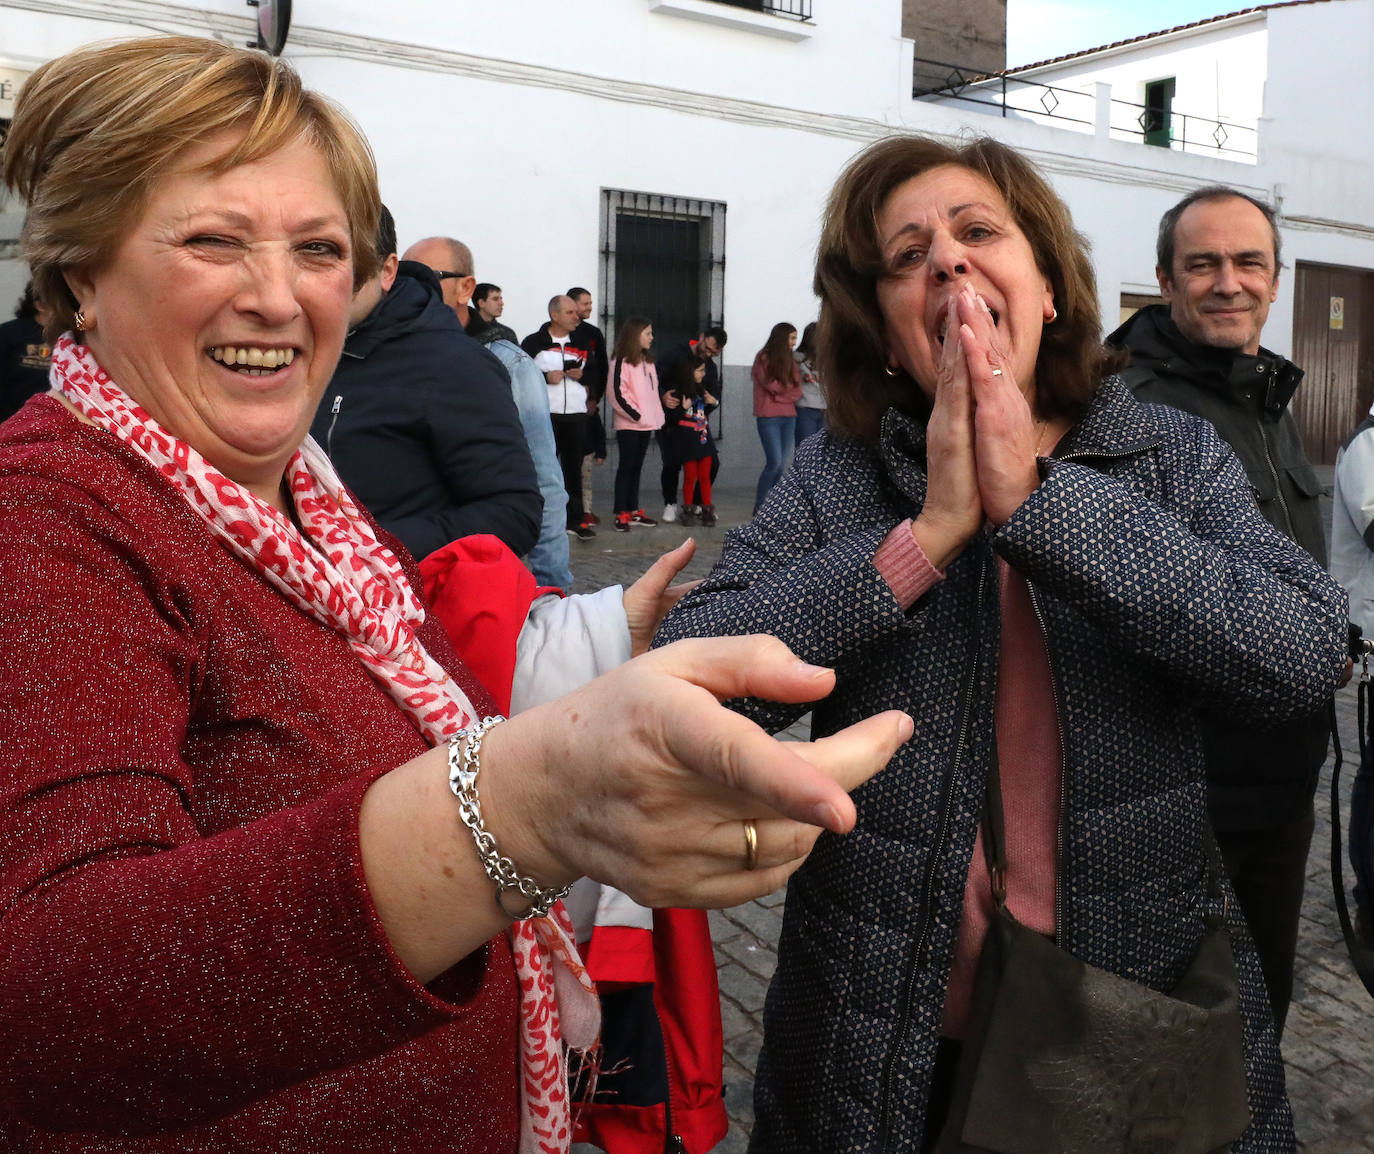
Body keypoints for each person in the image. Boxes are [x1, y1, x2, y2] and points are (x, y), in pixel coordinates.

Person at [0, 36, 913, 1152]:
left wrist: (607, 669)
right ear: (83, 271)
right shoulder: (50, 514)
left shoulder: (310, 505)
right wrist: (528, 811)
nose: (279, 295)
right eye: (212, 240)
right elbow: (51, 1008)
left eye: (319, 248)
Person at [656, 134, 1348, 1151]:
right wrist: (924, 539)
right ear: (888, 336)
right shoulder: (838, 478)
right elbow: (688, 683)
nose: (948, 260)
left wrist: (1038, 503)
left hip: (1123, 1006)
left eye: (980, 231)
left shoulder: (1168, 455)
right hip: (878, 1027)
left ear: (1051, 288)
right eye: (907, 255)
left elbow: (1302, 643)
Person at [1108, 186, 1329, 1038]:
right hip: (1183, 793)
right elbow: (1144, 602)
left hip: (1279, 782)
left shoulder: (1260, 397)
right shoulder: (1138, 406)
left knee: (1259, 1014)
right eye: (1203, 264)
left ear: (1277, 282)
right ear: (1166, 279)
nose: (1228, 282)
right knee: (1175, 1035)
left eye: (1248, 263)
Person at [310, 209, 542, 561]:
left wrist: (370, 549)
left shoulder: (455, 363)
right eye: (308, 252)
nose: (318, 278)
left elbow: (514, 513)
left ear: (387, 270)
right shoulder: (301, 345)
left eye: (337, 254)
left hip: (397, 604)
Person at [404, 231, 572, 591]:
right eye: (403, 277)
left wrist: (551, 590)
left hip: (485, 572)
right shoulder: (399, 357)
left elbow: (545, 483)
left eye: (428, 279)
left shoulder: (509, 363)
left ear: (465, 289)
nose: (411, 290)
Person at [523, 296, 595, 540]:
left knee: (573, 469)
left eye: (577, 312)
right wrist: (545, 377)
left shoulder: (584, 342)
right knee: (544, 469)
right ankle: (540, 520)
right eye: (570, 312)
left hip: (575, 414)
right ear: (555, 315)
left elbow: (595, 375)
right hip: (546, 415)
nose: (577, 316)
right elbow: (522, 376)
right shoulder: (534, 343)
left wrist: (583, 377)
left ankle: (575, 520)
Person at [656, 327, 726, 522]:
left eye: (714, 353)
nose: (709, 354)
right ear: (702, 337)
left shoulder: (710, 367)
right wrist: (662, 395)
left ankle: (696, 504)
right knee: (671, 462)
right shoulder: (675, 353)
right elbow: (655, 377)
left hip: (698, 425)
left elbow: (714, 394)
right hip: (670, 419)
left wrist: (709, 404)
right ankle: (670, 503)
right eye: (708, 348)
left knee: (711, 464)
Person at [608, 316, 665, 532]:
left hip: (645, 424)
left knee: (636, 468)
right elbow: (616, 393)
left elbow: (650, 393)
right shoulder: (621, 360)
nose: (652, 337)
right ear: (635, 335)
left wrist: (651, 416)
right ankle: (620, 512)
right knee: (626, 467)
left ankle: (632, 510)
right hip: (630, 425)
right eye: (648, 333)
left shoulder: (647, 361)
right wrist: (637, 415)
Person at [569, 286, 610, 524]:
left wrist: (595, 397)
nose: (589, 308)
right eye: (585, 303)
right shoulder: (557, 334)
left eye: (590, 303)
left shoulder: (594, 334)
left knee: (585, 462)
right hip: (562, 411)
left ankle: (585, 509)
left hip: (587, 408)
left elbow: (601, 369)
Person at [751, 321, 801, 511]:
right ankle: (760, 505)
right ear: (782, 338)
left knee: (781, 465)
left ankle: (772, 507)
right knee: (775, 461)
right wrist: (786, 392)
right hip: (769, 417)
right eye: (792, 338)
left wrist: (782, 393)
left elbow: (797, 391)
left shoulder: (791, 360)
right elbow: (771, 385)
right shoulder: (763, 358)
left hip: (789, 416)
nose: (794, 342)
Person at [663, 357, 719, 527]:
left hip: (703, 436)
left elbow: (704, 411)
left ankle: (706, 509)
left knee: (705, 476)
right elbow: (671, 418)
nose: (703, 373)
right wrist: (683, 407)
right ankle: (688, 510)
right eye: (700, 370)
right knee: (690, 476)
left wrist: (713, 402)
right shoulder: (678, 392)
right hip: (687, 440)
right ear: (690, 372)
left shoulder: (702, 391)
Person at [0, 281, 53, 422]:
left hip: (55, 424)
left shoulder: (75, 335)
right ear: (39, 305)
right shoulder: (8, 333)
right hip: (11, 422)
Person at [793, 320, 827, 446]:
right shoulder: (796, 357)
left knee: (821, 450)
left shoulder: (826, 358)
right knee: (805, 447)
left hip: (825, 409)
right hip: (805, 407)